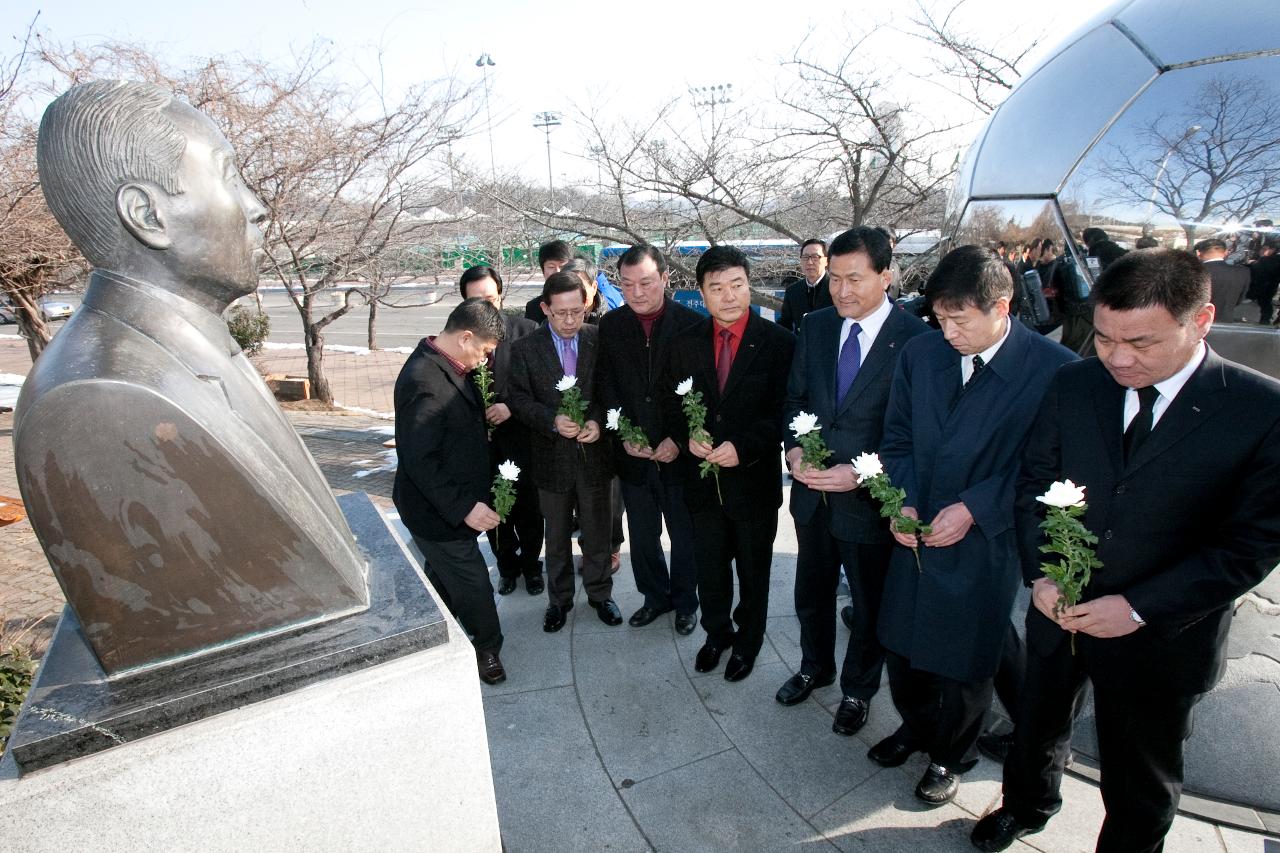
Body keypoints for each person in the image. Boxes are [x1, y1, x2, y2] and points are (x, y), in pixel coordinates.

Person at [18, 80, 368, 673]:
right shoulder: (95, 399)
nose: (256, 206)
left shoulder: (195, 344)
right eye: (229, 176)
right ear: (148, 215)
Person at [971, 249, 1280, 853]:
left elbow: (1251, 544)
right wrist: (1041, 575)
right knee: (1037, 725)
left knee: (1141, 769)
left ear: (1203, 319)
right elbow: (1036, 481)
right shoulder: (1074, 382)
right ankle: (1027, 804)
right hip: (1059, 611)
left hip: (1163, 634)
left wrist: (1137, 607)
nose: (1117, 357)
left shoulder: (1261, 410)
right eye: (1107, 336)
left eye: (1141, 342)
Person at [872, 246, 1076, 806]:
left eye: (960, 320)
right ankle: (915, 728)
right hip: (917, 527)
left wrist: (975, 508)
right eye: (939, 318)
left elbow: (1042, 469)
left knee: (966, 658)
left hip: (987, 536)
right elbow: (897, 439)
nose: (948, 332)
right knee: (902, 643)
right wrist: (904, 501)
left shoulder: (1052, 370)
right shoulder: (921, 354)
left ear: (1002, 306)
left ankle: (951, 754)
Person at [777, 227, 930, 733]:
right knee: (811, 591)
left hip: (869, 505)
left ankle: (857, 690)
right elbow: (795, 400)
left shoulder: (917, 341)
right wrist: (795, 450)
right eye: (836, 278)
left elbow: (916, 433)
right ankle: (813, 667)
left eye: (855, 279)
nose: (842, 290)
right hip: (812, 496)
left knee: (867, 605)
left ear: (887, 276)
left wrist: (864, 473)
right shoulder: (817, 326)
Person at [664, 245, 796, 682]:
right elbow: (671, 405)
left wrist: (744, 446)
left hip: (753, 482)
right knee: (710, 568)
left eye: (736, 285)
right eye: (716, 288)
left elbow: (784, 413)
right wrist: (687, 435)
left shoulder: (779, 343)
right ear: (701, 293)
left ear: (749, 284)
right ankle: (716, 634)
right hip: (702, 484)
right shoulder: (684, 344)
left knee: (754, 571)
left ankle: (749, 641)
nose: (728, 296)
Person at [393, 298, 509, 685]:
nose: (484, 360)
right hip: (437, 510)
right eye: (484, 350)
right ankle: (488, 647)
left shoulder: (446, 363)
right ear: (465, 337)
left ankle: (431, 630)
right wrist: (464, 509)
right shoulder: (423, 381)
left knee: (444, 575)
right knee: (473, 580)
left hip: (452, 499)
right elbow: (419, 460)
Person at [597, 245, 703, 633]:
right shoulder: (611, 326)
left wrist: (679, 438)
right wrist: (621, 432)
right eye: (627, 284)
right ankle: (654, 598)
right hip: (633, 453)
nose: (636, 292)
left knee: (684, 534)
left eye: (645, 282)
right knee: (642, 537)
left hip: (678, 454)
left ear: (665, 278)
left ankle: (686, 602)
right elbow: (606, 386)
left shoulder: (692, 324)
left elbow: (701, 392)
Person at [508, 271, 621, 632]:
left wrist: (598, 422)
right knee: (555, 537)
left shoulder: (599, 340)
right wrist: (551, 420)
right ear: (545, 309)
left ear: (586, 306)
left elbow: (611, 392)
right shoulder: (525, 348)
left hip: (594, 457)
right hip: (550, 458)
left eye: (578, 311)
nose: (571, 320)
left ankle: (600, 594)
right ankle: (559, 601)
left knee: (598, 531)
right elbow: (519, 400)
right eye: (561, 313)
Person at [459, 265, 545, 597]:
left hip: (523, 438)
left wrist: (511, 406)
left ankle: (532, 567)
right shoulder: (458, 339)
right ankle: (506, 567)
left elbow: (544, 385)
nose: (484, 307)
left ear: (501, 295)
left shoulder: (526, 330)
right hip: (483, 446)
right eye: (474, 300)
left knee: (528, 509)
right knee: (494, 510)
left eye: (490, 299)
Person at [777, 238, 832, 332]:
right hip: (802, 345)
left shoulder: (835, 287)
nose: (809, 262)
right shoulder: (793, 291)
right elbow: (784, 324)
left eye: (815, 257)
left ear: (826, 261)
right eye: (805, 257)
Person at [1193, 238, 1250, 319]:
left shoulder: (1193, 271)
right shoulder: (1242, 272)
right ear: (1226, 252)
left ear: (1199, 253)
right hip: (1226, 320)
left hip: (1197, 320)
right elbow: (1240, 299)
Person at [525, 239, 575, 322]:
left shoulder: (585, 300)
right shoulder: (534, 307)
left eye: (562, 266)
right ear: (543, 270)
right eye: (551, 267)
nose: (558, 271)